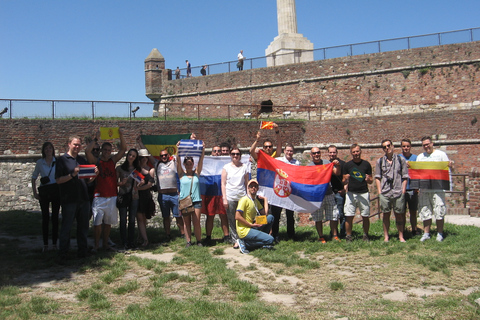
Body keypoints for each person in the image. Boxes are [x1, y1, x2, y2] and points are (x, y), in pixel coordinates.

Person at [56, 136, 97, 259]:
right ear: (69, 144)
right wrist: (72, 174)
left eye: (79, 145)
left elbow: (88, 181)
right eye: (75, 144)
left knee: (83, 227)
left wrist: (95, 175)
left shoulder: (82, 160)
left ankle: (82, 251)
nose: (77, 147)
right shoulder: (62, 160)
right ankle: (63, 253)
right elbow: (58, 180)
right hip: (69, 199)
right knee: (67, 227)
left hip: (83, 199)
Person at [86, 130, 127, 252]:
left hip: (112, 195)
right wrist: (95, 139)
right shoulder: (97, 161)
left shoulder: (112, 161)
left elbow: (123, 149)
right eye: (105, 150)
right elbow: (87, 151)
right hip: (99, 196)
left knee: (108, 222)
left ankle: (105, 244)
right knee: (97, 223)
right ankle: (96, 245)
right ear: (101, 150)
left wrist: (121, 136)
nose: (107, 152)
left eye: (109, 150)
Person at [137, 137, 184, 241]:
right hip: (162, 195)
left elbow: (179, 155)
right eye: (161, 155)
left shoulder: (174, 163)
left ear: (168, 155)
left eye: (165, 155)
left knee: (178, 216)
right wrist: (140, 143)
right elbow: (148, 154)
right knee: (165, 216)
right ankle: (167, 235)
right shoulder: (157, 164)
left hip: (174, 194)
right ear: (159, 156)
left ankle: (182, 234)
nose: (163, 157)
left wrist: (179, 146)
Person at [416, 136, 451, 242]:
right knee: (425, 210)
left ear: (432, 143)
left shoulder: (441, 155)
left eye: (428, 144)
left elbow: (447, 170)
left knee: (439, 210)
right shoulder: (420, 157)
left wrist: (447, 185)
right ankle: (426, 233)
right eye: (424, 145)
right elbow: (417, 173)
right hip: (425, 189)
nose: (426, 146)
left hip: (438, 188)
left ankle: (440, 233)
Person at [375, 139, 409, 242]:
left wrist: (403, 190)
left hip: (398, 191)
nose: (387, 148)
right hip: (385, 192)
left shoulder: (400, 160)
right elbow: (377, 177)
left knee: (399, 214)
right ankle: (386, 236)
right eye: (384, 147)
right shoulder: (379, 161)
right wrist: (379, 192)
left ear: (393, 146)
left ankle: (401, 236)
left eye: (388, 145)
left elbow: (405, 176)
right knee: (386, 215)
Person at [32, 142, 60, 252]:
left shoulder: (57, 162)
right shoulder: (40, 163)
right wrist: (35, 192)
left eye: (50, 148)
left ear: (53, 150)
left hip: (55, 190)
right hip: (44, 190)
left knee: (55, 217)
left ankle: (54, 243)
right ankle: (45, 244)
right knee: (45, 218)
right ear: (43, 151)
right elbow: (34, 177)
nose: (48, 150)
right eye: (46, 148)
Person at [342, 143, 373, 242]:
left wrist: (368, 179)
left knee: (365, 216)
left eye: (357, 151)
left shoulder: (366, 164)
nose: (356, 153)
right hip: (351, 193)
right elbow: (343, 180)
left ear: (360, 151)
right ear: (351, 153)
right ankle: (348, 236)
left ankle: (365, 235)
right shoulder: (348, 165)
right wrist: (345, 179)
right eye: (354, 152)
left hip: (364, 192)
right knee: (349, 216)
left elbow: (371, 180)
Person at [309, 147, 341, 243]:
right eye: (314, 153)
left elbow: (337, 173)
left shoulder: (327, 163)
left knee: (333, 215)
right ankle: (321, 236)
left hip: (329, 193)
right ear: (311, 155)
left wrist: (338, 166)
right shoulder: (309, 166)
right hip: (317, 196)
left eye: (318, 152)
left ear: (320, 153)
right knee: (318, 217)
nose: (316, 155)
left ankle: (334, 235)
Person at [176, 141, 205, 247]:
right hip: (184, 201)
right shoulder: (181, 174)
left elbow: (201, 161)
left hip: (196, 200)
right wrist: (177, 149)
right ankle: (188, 241)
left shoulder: (196, 173)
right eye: (187, 164)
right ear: (184, 165)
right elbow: (177, 162)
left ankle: (199, 241)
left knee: (196, 222)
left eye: (190, 163)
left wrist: (203, 150)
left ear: (193, 164)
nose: (188, 165)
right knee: (186, 223)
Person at [235, 179, 274, 254]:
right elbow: (237, 216)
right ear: (248, 188)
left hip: (251, 225)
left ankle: (262, 240)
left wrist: (265, 199)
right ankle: (245, 243)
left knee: (270, 218)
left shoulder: (255, 201)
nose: (253, 188)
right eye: (251, 186)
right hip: (244, 229)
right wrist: (251, 224)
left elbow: (265, 214)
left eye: (255, 186)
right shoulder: (244, 200)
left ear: (258, 188)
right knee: (270, 240)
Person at [221, 147, 249, 248]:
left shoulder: (244, 167)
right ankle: (235, 240)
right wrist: (224, 198)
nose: (235, 156)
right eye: (233, 154)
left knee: (243, 219)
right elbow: (223, 184)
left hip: (242, 197)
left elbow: (246, 183)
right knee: (232, 219)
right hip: (230, 196)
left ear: (240, 155)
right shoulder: (226, 167)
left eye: (237, 154)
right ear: (230, 155)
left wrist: (248, 196)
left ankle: (243, 238)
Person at [202, 145, 230, 245]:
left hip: (221, 193)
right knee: (210, 216)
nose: (217, 153)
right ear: (212, 153)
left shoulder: (226, 163)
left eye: (219, 151)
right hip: (210, 193)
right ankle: (208, 237)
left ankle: (227, 236)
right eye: (215, 151)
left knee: (223, 215)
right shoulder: (207, 163)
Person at [271, 143, 299, 241]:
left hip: (290, 192)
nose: (289, 152)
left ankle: (291, 235)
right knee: (276, 214)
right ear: (284, 151)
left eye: (291, 151)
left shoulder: (297, 163)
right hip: (278, 191)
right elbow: (268, 162)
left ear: (293, 152)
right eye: (287, 150)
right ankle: (275, 235)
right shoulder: (278, 160)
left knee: (290, 215)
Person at [116, 148, 141, 249]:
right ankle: (124, 241)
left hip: (134, 196)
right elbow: (114, 182)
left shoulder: (137, 169)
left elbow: (140, 181)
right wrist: (120, 183)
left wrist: (140, 183)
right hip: (123, 195)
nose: (131, 157)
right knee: (123, 220)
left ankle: (131, 241)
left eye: (133, 156)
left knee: (132, 220)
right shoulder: (120, 168)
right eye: (130, 155)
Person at [399, 138, 420, 236]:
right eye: (404, 146)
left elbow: (420, 173)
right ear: (401, 147)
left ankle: (414, 230)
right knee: (401, 212)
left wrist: (418, 186)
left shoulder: (416, 158)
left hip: (413, 188)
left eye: (407, 146)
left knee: (413, 211)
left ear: (410, 147)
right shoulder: (398, 158)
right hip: (401, 189)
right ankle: (402, 231)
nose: (406, 148)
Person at [136, 149, 156, 247]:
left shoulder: (150, 170)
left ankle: (144, 238)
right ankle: (143, 238)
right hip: (137, 197)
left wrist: (138, 189)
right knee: (139, 218)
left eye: (145, 157)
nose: (144, 159)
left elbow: (149, 185)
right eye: (141, 157)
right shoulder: (136, 169)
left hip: (146, 196)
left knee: (143, 218)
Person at [327, 145, 346, 238]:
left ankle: (343, 233)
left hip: (339, 191)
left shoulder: (343, 164)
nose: (332, 154)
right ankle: (333, 233)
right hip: (329, 193)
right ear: (328, 153)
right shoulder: (326, 164)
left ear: (337, 153)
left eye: (334, 152)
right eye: (330, 152)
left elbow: (347, 178)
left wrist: (344, 189)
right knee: (332, 214)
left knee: (341, 213)